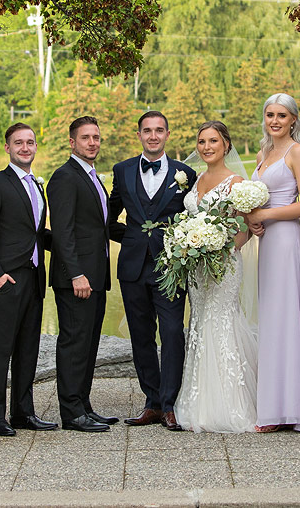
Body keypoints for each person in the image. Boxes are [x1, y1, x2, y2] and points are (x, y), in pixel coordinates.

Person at [107, 111, 196, 431]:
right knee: (141, 335)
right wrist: (132, 237)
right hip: (132, 265)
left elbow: (193, 218)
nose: (154, 136)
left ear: (168, 134)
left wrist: (174, 242)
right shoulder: (123, 170)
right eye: (148, 131)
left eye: (159, 130)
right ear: (140, 135)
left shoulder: (185, 173)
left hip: (170, 266)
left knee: (172, 332)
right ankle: (152, 402)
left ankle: (171, 404)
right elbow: (109, 215)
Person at [0, 123, 58, 436]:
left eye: (30, 142)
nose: (25, 147)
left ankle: (23, 413)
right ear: (7, 147)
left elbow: (35, 233)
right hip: (7, 280)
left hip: (34, 278)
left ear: (36, 147)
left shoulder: (36, 184)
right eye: (18, 142)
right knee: (0, 349)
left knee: (27, 349)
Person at [176, 121, 258, 433]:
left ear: (226, 145)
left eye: (213, 141)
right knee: (199, 323)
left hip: (224, 266)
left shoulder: (236, 182)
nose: (207, 147)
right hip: (197, 267)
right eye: (201, 141)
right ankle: (199, 404)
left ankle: (231, 404)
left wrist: (221, 249)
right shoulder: (195, 179)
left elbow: (246, 227)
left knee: (222, 321)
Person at [245, 93, 300, 432]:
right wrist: (252, 220)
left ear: (293, 120)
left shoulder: (297, 152)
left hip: (288, 240)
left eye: (282, 115)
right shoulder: (263, 154)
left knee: (287, 317)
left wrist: (266, 214)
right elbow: (257, 201)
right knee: (271, 318)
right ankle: (272, 404)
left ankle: (290, 409)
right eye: (270, 114)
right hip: (268, 241)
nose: (275, 120)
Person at [48, 115, 115, 432]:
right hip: (77, 279)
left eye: (96, 137)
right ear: (72, 142)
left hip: (97, 275)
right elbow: (62, 232)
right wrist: (76, 274)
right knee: (74, 343)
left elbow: (101, 228)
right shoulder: (64, 177)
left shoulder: (91, 176)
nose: (92, 143)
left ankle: (84, 404)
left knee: (88, 344)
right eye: (86, 137)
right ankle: (71, 413)